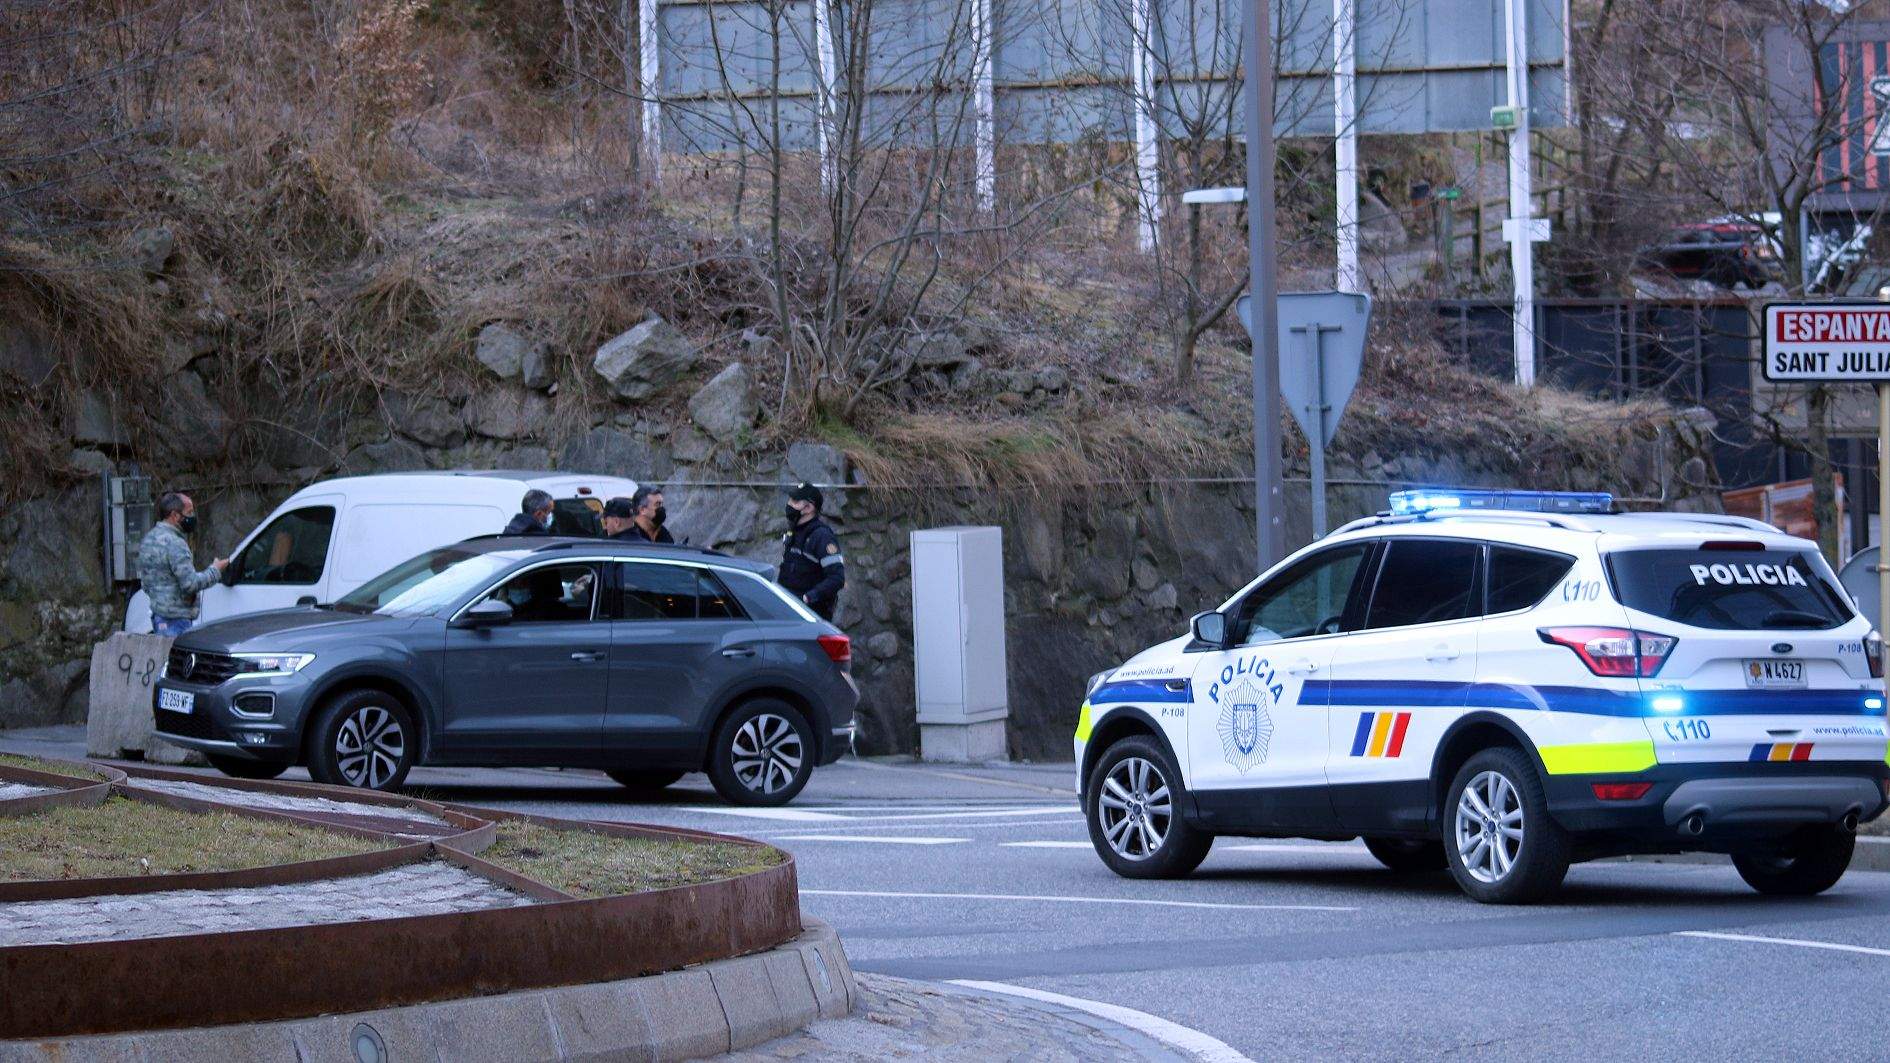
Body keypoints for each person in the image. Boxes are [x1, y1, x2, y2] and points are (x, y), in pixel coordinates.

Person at [137, 492, 229, 637]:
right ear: (175, 516)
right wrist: (215, 570)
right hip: (176, 622)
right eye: (189, 512)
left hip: (158, 617)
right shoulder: (176, 544)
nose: (192, 517)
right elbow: (190, 584)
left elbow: (145, 584)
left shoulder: (149, 539)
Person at [778, 481, 845, 621]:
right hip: (788, 613)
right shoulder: (794, 532)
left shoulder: (822, 536)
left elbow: (837, 578)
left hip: (810, 617)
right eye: (790, 499)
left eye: (795, 501)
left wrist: (807, 598)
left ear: (808, 508)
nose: (789, 504)